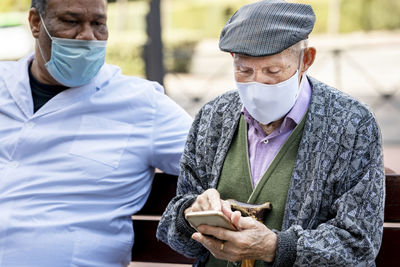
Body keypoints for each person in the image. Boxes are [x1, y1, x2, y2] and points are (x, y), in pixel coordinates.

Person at [157, 0, 385, 266]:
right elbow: (177, 231)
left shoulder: (352, 124)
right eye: (244, 71)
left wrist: (275, 248)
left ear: (306, 59)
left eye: (273, 71)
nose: (257, 84)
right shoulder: (213, 116)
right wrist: (189, 214)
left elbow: (358, 245)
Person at [0, 0, 192, 266]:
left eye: (98, 24)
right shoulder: (3, 83)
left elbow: (216, 158)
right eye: (71, 21)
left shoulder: (141, 103)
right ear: (35, 22)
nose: (88, 36)